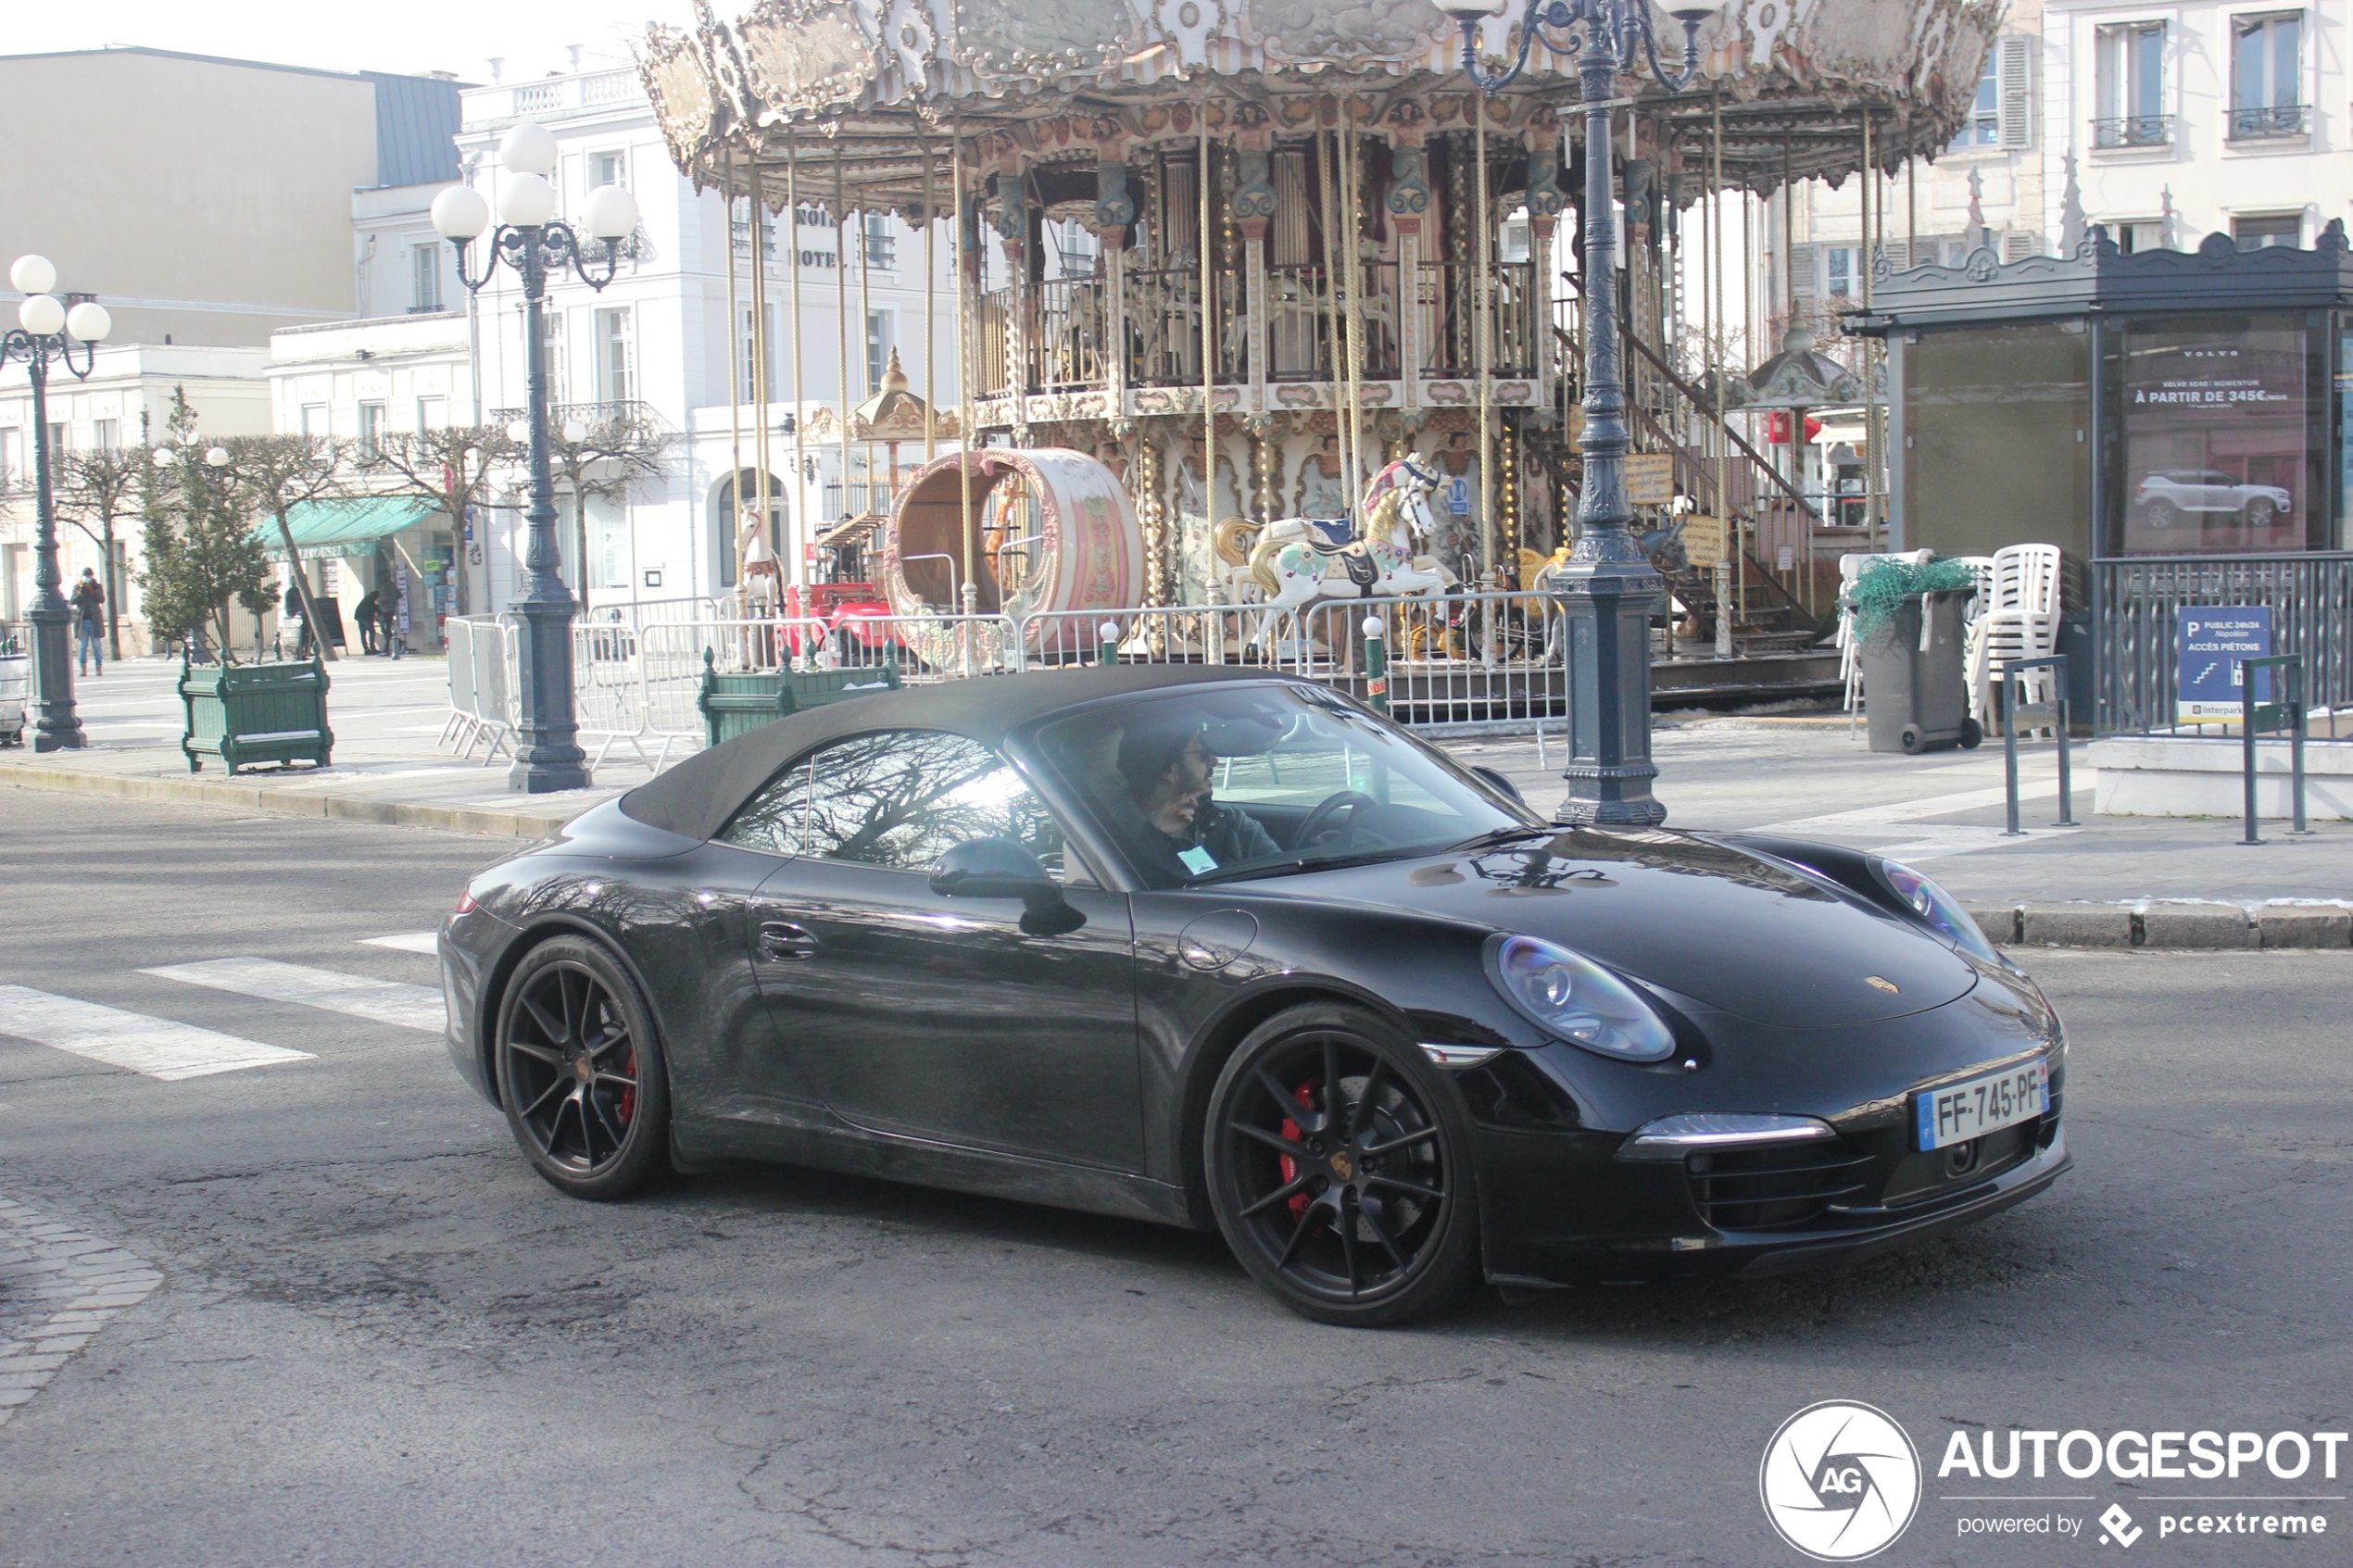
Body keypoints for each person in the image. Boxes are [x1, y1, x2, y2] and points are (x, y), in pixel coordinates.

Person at [1111, 714, 1280, 884]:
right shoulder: (1108, 835)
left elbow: (1283, 877)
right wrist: (1153, 838)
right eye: (1202, 755)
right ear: (1168, 770)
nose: (1214, 761)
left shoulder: (1231, 822)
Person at [69, 568, 105, 675]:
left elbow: (101, 600)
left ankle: (99, 668)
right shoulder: (77, 587)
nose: (88, 579)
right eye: (86, 577)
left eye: (90, 576)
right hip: (82, 621)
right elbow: (73, 601)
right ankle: (83, 668)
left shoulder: (97, 587)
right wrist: (81, 592)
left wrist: (95, 589)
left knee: (97, 646)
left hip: (94, 621)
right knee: (82, 646)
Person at [354, 589, 381, 656]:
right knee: (371, 632)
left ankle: (366, 649)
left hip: (359, 616)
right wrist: (379, 618)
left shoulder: (367, 599)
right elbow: (375, 611)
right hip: (366, 617)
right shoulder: (371, 602)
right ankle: (372, 648)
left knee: (363, 633)